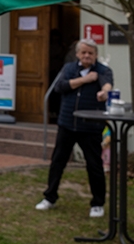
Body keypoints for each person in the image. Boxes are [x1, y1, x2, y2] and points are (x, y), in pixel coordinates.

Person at [35, 38, 112, 218]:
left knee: (94, 165)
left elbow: (107, 83)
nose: (87, 56)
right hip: (67, 124)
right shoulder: (69, 69)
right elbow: (60, 87)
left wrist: (104, 92)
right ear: (77, 54)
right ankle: (50, 197)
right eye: (83, 52)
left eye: (90, 53)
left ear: (96, 55)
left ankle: (97, 204)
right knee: (58, 162)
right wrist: (85, 80)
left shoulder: (102, 70)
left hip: (90, 127)